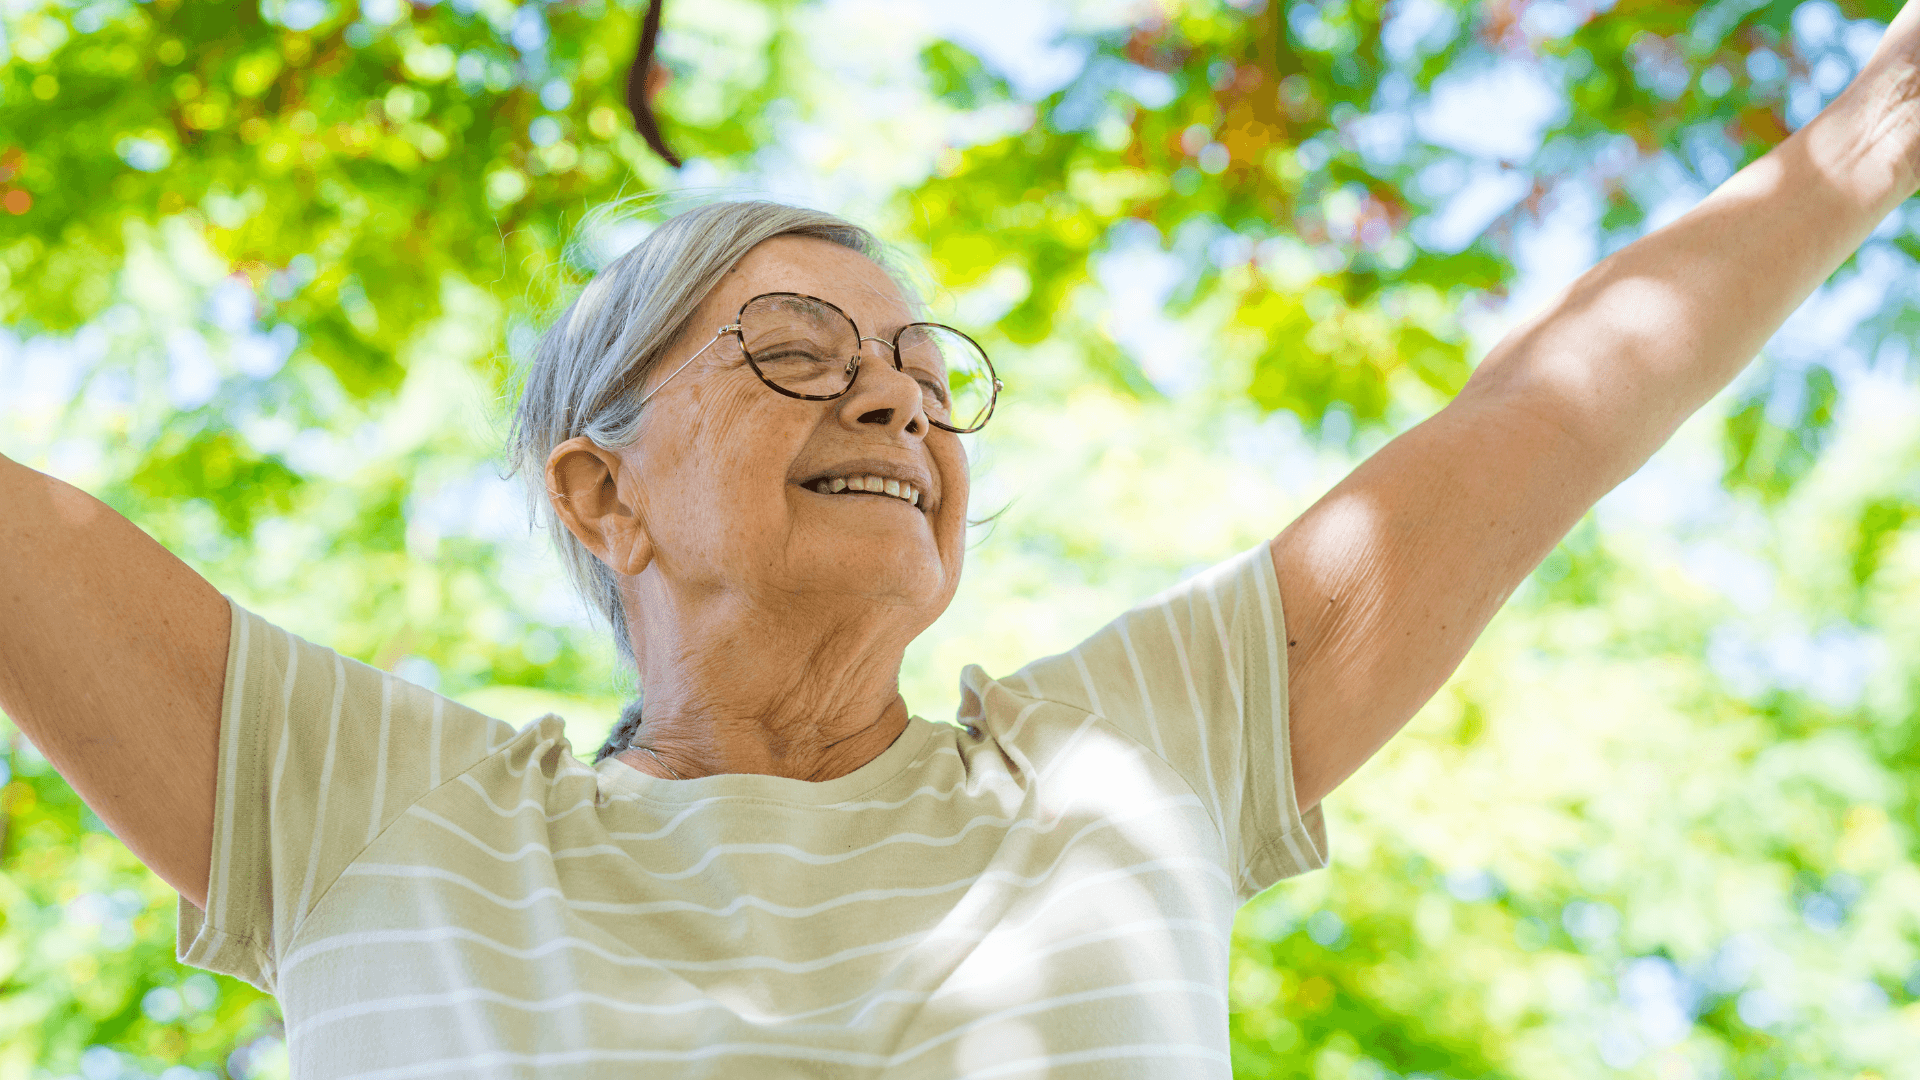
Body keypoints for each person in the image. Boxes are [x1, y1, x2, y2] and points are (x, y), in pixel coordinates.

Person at [4, 6, 1918, 1075]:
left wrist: (1854, 156)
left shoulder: (1128, 759)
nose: (896, 403)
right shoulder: (377, 818)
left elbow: (1541, 419)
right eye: (797, 348)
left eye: (927, 373)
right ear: (601, 494)